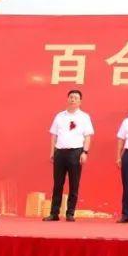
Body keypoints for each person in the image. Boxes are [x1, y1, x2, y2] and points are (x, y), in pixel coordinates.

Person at [45, 89, 94, 222]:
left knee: (74, 184)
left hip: (76, 152)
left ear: (80, 101)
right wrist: (52, 152)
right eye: (71, 97)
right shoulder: (60, 116)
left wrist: (85, 152)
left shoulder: (84, 117)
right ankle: (54, 213)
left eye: (75, 98)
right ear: (67, 99)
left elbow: (87, 136)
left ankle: (70, 213)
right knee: (58, 184)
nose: (73, 99)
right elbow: (54, 135)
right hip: (60, 152)